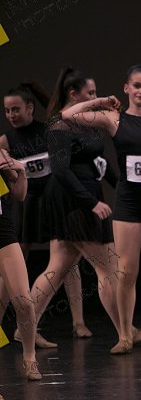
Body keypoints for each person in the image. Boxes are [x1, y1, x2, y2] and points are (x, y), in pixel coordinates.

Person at [61, 65, 141, 354]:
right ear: (126, 88)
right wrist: (99, 101)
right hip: (128, 201)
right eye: (137, 86)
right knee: (126, 271)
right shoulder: (113, 119)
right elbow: (68, 115)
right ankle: (124, 336)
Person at [27, 68, 141, 351]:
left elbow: (100, 163)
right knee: (109, 269)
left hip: (83, 198)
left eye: (96, 92)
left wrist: (125, 188)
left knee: (57, 269)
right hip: (75, 203)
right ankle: (126, 331)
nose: (96, 97)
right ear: (73, 94)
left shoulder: (82, 123)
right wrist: (92, 202)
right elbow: (61, 171)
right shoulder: (60, 125)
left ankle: (24, 327)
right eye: (91, 93)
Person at [0, 83, 91, 343]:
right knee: (13, 264)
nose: (11, 115)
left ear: (30, 108)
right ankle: (21, 327)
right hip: (26, 205)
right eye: (7, 111)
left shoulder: (47, 132)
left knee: (66, 261)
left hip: (52, 202)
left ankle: (78, 323)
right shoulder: (5, 141)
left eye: (16, 109)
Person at [0, 142, 39, 382]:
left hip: (3, 233)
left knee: (23, 301)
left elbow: (20, 195)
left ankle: (30, 357)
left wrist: (21, 171)